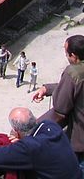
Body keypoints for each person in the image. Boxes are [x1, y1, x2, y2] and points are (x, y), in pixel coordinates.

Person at [0, 107, 81, 179]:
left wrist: (19, 142)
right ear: (35, 119)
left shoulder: (30, 147)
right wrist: (22, 142)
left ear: (16, 130)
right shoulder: (50, 125)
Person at [33, 34, 84, 167]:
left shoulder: (73, 72)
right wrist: (47, 89)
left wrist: (52, 92)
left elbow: (61, 106)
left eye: (66, 53)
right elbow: (75, 88)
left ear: (73, 56)